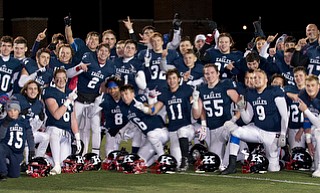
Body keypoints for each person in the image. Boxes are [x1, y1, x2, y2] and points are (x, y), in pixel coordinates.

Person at [222, 69, 288, 174]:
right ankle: (232, 165)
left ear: (266, 80)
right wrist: (242, 108)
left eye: (259, 77)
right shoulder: (250, 93)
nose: (256, 79)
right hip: (257, 129)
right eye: (254, 78)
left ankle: (283, 161)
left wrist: (283, 134)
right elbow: (247, 119)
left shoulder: (275, 91)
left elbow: (284, 115)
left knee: (272, 168)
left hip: (272, 133)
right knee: (235, 131)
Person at [67, 43, 115, 156]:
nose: (103, 53)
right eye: (101, 50)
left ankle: (95, 154)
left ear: (109, 54)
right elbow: (70, 74)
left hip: (95, 100)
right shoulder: (89, 57)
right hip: (80, 97)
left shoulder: (110, 67)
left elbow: (109, 84)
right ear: (97, 51)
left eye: (106, 51)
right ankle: (74, 150)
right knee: (76, 125)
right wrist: (79, 67)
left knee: (95, 127)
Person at [143, 68, 196, 171]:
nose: (172, 81)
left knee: (182, 131)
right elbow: (154, 110)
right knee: (176, 163)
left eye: (174, 78)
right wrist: (146, 105)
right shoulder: (165, 94)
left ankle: (186, 157)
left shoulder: (186, 90)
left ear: (178, 79)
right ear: (167, 80)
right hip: (173, 130)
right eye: (169, 78)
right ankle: (188, 158)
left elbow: (195, 102)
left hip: (187, 127)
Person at [192, 63, 242, 171]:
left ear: (218, 73)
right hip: (212, 129)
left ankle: (234, 161)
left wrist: (234, 119)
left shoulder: (226, 85)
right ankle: (236, 158)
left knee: (235, 132)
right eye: (207, 73)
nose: (209, 76)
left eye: (212, 73)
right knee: (216, 162)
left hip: (225, 125)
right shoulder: (201, 89)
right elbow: (196, 115)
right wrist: (195, 102)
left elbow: (241, 104)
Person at [42, 68, 81, 175]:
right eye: (58, 78)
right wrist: (68, 101)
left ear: (67, 79)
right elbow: (57, 115)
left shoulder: (69, 92)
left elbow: (73, 118)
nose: (61, 81)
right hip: (54, 128)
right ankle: (55, 164)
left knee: (63, 162)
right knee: (58, 164)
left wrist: (77, 137)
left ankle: (42, 158)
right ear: (54, 79)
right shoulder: (50, 92)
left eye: (63, 78)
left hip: (66, 132)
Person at [120, 84, 169, 167]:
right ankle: (157, 156)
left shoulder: (139, 99)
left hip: (160, 132)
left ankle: (162, 158)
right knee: (139, 163)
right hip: (151, 139)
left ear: (133, 94)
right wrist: (124, 130)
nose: (125, 97)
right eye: (122, 95)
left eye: (126, 94)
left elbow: (150, 110)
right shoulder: (125, 109)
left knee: (151, 134)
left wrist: (144, 108)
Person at [12, 80, 49, 164]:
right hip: (18, 133)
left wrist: (41, 119)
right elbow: (10, 117)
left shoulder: (39, 104)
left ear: (38, 91)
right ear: (25, 90)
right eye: (30, 89)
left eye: (35, 89)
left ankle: (38, 158)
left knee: (46, 137)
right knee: (24, 161)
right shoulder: (18, 98)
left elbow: (38, 126)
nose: (33, 91)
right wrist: (19, 114)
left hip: (30, 133)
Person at [0, 100, 35, 180]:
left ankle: (7, 166)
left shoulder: (24, 122)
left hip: (17, 152)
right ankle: (2, 173)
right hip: (6, 147)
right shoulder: (4, 121)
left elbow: (30, 136)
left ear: (19, 111)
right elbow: (1, 137)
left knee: (14, 175)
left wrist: (32, 149)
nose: (12, 113)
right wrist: (5, 124)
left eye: (15, 110)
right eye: (10, 110)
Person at [297, 74, 320, 177]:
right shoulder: (303, 95)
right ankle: (317, 164)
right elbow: (306, 119)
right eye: (308, 85)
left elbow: (319, 124)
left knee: (318, 132)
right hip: (316, 124)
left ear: (318, 86)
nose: (310, 88)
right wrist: (308, 141)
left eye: (313, 85)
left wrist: (305, 109)